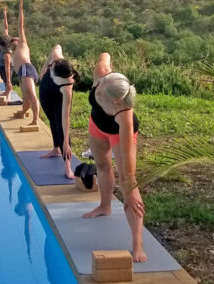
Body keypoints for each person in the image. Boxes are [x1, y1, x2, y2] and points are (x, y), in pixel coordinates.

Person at [82, 53, 147, 262]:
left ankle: (138, 244)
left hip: (117, 134)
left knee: (128, 182)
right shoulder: (102, 74)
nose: (98, 94)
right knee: (101, 165)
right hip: (96, 125)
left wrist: (128, 192)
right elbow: (104, 55)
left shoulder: (124, 116)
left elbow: (128, 172)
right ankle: (105, 206)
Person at [39, 45, 80, 179]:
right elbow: (57, 46)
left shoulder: (67, 88)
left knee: (61, 127)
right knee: (51, 118)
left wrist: (66, 143)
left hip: (58, 95)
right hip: (46, 88)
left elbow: (65, 118)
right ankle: (56, 148)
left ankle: (67, 166)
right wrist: (45, 66)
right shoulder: (57, 59)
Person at [11, 0, 39, 125]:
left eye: (14, 40)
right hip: (22, 74)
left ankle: (35, 120)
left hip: (26, 69)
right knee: (25, 98)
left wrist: (20, 9)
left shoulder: (23, 44)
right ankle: (22, 112)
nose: (12, 41)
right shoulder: (14, 52)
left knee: (32, 95)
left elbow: (20, 25)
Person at [0, 7, 14, 102]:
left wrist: (8, 80)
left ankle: (8, 96)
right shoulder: (6, 38)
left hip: (5, 66)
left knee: (7, 81)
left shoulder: (6, 53)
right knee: (5, 81)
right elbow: (6, 27)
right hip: (1, 64)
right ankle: (7, 91)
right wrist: (5, 15)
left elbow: (8, 68)